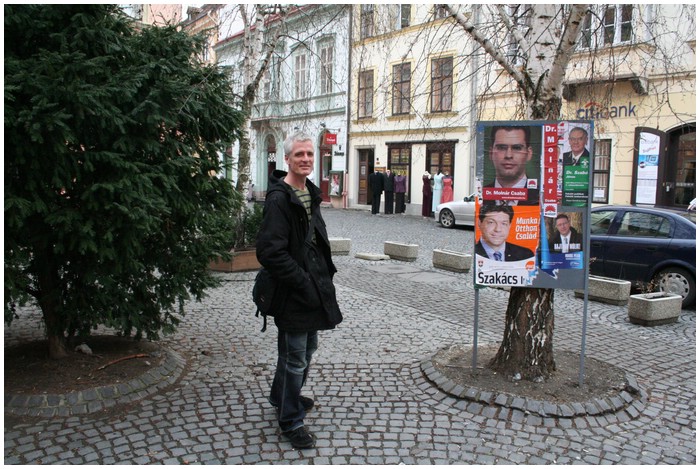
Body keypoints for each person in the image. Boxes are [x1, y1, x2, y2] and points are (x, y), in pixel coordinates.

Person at [256, 131, 343, 450]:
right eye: (299, 155)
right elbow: (269, 251)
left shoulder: (308, 191)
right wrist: (303, 282)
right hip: (294, 291)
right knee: (295, 358)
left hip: (312, 288)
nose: (306, 159)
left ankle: (281, 396)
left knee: (305, 351)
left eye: (309, 154)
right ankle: (290, 420)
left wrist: (320, 278)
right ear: (288, 159)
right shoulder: (280, 198)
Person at [484, 125, 539, 205]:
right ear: (491, 153)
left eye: (517, 148)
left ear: (529, 153)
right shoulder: (482, 195)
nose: (508, 155)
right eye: (501, 148)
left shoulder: (540, 196)